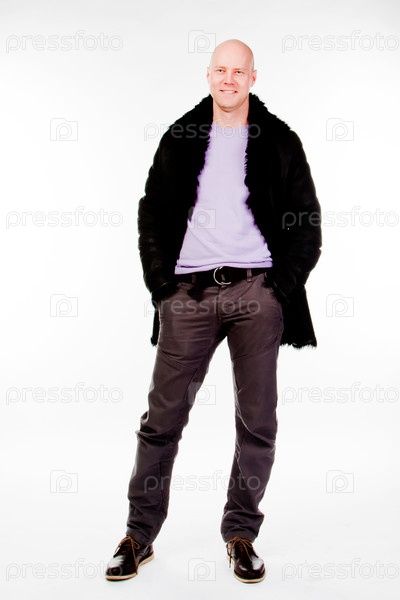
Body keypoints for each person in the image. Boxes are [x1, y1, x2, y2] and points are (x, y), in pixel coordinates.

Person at [105, 38, 321, 584]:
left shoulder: (279, 140)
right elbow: (152, 214)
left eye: (238, 71)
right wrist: (163, 286)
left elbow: (306, 221)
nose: (228, 79)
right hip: (189, 296)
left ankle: (241, 533)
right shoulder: (180, 136)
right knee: (162, 421)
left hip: (256, 292)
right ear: (208, 75)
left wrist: (279, 288)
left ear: (253, 78)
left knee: (258, 422)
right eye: (220, 70)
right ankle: (138, 535)